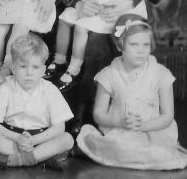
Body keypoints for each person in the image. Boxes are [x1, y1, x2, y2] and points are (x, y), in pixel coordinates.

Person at [76, 15, 187, 170]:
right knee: (119, 147)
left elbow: (168, 116)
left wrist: (144, 125)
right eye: (134, 44)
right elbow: (99, 114)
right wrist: (119, 123)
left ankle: (147, 155)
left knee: (157, 152)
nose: (141, 51)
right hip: (120, 130)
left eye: (146, 45)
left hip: (153, 130)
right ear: (120, 46)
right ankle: (126, 154)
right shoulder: (109, 74)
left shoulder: (161, 74)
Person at [0, 35, 74, 171]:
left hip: (42, 139)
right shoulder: (5, 88)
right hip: (13, 139)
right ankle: (38, 158)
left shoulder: (50, 90)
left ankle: (19, 160)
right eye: (23, 66)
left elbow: (59, 127)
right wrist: (17, 138)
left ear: (43, 70)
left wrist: (34, 141)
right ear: (13, 68)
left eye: (35, 67)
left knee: (67, 139)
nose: (29, 73)